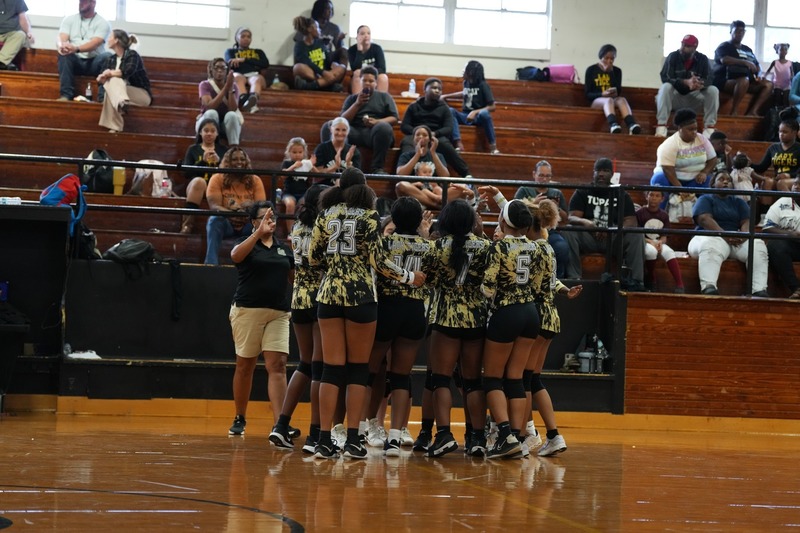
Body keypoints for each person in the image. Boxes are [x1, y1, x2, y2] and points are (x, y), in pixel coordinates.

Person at [307, 167, 425, 459]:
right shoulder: (370, 218)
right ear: (363, 188)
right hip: (361, 296)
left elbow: (312, 257)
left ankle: (323, 439)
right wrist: (409, 277)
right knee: (359, 369)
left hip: (329, 295)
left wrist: (334, 267)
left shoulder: (325, 216)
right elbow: (380, 261)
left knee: (330, 370)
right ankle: (353, 441)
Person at [369, 197, 434, 456]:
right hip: (415, 312)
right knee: (401, 375)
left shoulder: (383, 242)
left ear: (393, 220)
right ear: (419, 220)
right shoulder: (429, 247)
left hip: (386, 309)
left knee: (370, 372)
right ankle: (395, 437)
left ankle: (362, 428)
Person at [426, 199, 491, 457]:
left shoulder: (438, 247)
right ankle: (476, 438)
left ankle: (443, 435)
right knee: (473, 381)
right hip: (476, 319)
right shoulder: (487, 247)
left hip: (445, 318)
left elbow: (428, 280)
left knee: (440, 379)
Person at [480, 199, 543, 459]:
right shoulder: (536, 247)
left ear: (503, 222)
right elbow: (539, 284)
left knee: (492, 377)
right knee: (516, 377)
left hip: (507, 312)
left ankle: (504, 435)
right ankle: (517, 437)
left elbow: (487, 286)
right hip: (531, 313)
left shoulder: (499, 246)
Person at [269, 184, 328, 450]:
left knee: (305, 364)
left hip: (299, 297)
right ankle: (316, 433)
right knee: (318, 367)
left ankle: (281, 425)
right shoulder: (323, 228)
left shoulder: (299, 227)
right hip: (320, 298)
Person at [227, 201, 293, 439]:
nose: (270, 220)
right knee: (245, 366)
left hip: (278, 312)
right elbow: (235, 256)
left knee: (278, 365)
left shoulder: (284, 248)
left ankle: (280, 424)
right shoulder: (247, 244)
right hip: (248, 311)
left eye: (273, 216)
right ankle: (240, 417)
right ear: (254, 221)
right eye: (265, 217)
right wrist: (257, 234)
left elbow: (293, 278)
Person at [564, 157, 646, 291]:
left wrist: (611, 230)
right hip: (589, 236)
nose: (601, 174)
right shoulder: (582, 191)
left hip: (613, 238)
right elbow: (572, 217)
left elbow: (631, 221)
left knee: (637, 235)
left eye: (606, 171)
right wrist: (587, 223)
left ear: (612, 174)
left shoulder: (621, 193)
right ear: (593, 172)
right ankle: (574, 278)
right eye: (598, 170)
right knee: (568, 230)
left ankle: (636, 281)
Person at [688, 170, 769, 296]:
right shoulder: (705, 198)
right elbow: (704, 219)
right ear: (713, 183)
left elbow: (747, 222)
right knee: (711, 244)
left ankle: (758, 290)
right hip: (707, 236)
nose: (726, 181)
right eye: (721, 179)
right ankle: (708, 287)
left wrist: (743, 235)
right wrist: (724, 234)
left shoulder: (738, 201)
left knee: (757, 245)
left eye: (729, 180)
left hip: (734, 239)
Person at [327, 66, 397, 174]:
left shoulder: (385, 97)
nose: (368, 83)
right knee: (330, 125)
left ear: (376, 83)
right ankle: (334, 164)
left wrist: (377, 122)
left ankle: (377, 168)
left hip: (375, 132)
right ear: (360, 81)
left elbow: (394, 118)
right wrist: (357, 104)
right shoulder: (352, 98)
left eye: (371, 81)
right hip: (354, 132)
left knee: (384, 127)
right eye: (364, 80)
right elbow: (342, 120)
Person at [400, 77, 473, 179]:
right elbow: (404, 126)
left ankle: (466, 173)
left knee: (444, 143)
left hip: (435, 135)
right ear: (425, 89)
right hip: (416, 135)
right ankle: (403, 174)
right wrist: (418, 133)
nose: (437, 91)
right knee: (407, 141)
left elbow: (449, 128)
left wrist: (433, 134)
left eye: (439, 89)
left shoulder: (444, 108)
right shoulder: (414, 106)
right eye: (434, 88)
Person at [204, 147, 266, 266]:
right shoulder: (217, 178)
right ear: (228, 162)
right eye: (235, 159)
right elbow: (214, 206)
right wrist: (233, 213)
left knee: (260, 223)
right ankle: (211, 264)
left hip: (247, 223)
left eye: (242, 159)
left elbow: (261, 207)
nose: (239, 162)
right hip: (226, 223)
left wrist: (250, 208)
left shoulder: (255, 180)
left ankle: (257, 266)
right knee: (214, 220)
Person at [396, 125, 478, 210]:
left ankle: (432, 203)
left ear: (430, 139)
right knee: (400, 185)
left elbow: (445, 176)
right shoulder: (406, 156)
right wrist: (417, 155)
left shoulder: (438, 155)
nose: (421, 137)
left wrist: (433, 153)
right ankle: (436, 205)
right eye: (418, 135)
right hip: (417, 194)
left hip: (438, 193)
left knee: (463, 187)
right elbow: (400, 174)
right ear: (413, 139)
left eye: (424, 135)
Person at [512, 160, 570, 278]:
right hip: (527, 232)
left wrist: (555, 207)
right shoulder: (524, 190)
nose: (544, 179)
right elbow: (514, 211)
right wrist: (533, 204)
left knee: (562, 247)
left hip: (550, 231)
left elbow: (565, 219)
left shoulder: (556, 192)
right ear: (534, 174)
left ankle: (557, 280)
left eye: (548, 176)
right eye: (541, 175)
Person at [655, 35, 719, 138]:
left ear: (694, 48)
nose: (682, 48)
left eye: (687, 46)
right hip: (675, 99)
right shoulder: (673, 56)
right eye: (682, 44)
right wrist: (685, 82)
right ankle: (661, 126)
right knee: (665, 87)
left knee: (713, 90)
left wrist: (699, 83)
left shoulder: (703, 59)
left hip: (695, 100)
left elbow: (710, 79)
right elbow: (665, 77)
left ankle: (709, 128)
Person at [650, 108, 719, 203]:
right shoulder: (669, 144)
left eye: (695, 129)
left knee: (709, 181)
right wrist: (680, 189)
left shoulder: (702, 139)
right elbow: (667, 169)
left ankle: (703, 214)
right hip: (671, 178)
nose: (694, 132)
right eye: (690, 129)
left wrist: (705, 172)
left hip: (695, 180)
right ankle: (661, 214)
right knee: (659, 179)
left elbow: (713, 159)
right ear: (680, 129)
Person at [712, 20, 773, 116]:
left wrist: (760, 74)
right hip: (727, 80)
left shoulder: (747, 49)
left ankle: (753, 111)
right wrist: (745, 62)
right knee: (744, 80)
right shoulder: (724, 46)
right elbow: (724, 60)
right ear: (731, 32)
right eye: (736, 31)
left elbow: (757, 64)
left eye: (742, 31)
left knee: (768, 85)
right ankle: (734, 111)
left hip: (748, 81)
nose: (739, 33)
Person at [96, 30, 151, 134]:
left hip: (141, 95)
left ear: (116, 40)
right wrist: (101, 79)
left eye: (110, 37)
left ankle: (119, 109)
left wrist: (110, 74)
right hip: (120, 95)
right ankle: (121, 104)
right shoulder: (110, 59)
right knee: (110, 84)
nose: (108, 39)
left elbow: (127, 71)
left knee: (114, 79)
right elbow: (103, 80)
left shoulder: (132, 55)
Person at [179, 118, 227, 234]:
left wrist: (219, 163)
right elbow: (186, 173)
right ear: (200, 132)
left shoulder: (223, 150)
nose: (209, 133)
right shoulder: (193, 149)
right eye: (206, 130)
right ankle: (187, 225)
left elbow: (229, 175)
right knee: (199, 182)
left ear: (217, 133)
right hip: (197, 187)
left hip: (217, 188)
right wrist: (203, 161)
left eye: (212, 131)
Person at [56, 0, 111, 101]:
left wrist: (76, 49)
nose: (81, 3)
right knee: (64, 55)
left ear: (93, 3)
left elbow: (95, 43)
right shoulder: (69, 19)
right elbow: (62, 37)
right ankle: (66, 95)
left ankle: (102, 98)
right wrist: (62, 46)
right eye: (80, 1)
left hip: (94, 62)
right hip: (75, 61)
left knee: (108, 56)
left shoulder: (103, 23)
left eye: (84, 1)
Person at [441, 60, 500, 154]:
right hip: (465, 116)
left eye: (465, 69)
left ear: (471, 72)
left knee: (485, 113)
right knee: (450, 111)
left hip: (478, 117)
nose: (462, 71)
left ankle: (493, 146)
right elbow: (465, 92)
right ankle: (458, 143)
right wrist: (446, 96)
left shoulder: (483, 85)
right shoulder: (466, 83)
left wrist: (474, 112)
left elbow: (492, 106)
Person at [636, 190, 686, 293]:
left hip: (658, 242)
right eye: (651, 195)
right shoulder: (639, 213)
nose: (654, 198)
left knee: (669, 252)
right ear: (646, 196)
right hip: (644, 241)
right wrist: (651, 242)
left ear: (662, 199)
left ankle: (679, 284)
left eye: (657, 196)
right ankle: (651, 279)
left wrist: (660, 242)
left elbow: (664, 236)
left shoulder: (664, 215)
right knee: (651, 252)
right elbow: (637, 234)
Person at [584, 44, 641, 134]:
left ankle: (631, 124)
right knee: (608, 100)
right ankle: (613, 124)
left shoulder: (617, 71)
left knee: (622, 99)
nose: (609, 61)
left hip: (612, 99)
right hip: (596, 101)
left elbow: (618, 91)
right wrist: (602, 94)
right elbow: (588, 94)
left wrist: (611, 73)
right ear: (601, 57)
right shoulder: (591, 70)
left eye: (612, 59)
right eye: (606, 58)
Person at [762, 177, 800, 299]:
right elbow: (767, 228)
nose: (796, 187)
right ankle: (796, 288)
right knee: (775, 245)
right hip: (790, 245)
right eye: (795, 184)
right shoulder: (783, 201)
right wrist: (788, 234)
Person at [749, 108, 800, 192]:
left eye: (785, 132)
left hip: (795, 180)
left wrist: (789, 175)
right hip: (778, 178)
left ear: (794, 133)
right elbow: (762, 168)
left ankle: (791, 205)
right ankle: (765, 205)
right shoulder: (773, 148)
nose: (781, 135)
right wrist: (750, 163)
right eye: (780, 132)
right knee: (767, 182)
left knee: (781, 183)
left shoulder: (798, 148)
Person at [292, 15, 345, 92]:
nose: (320, 30)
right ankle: (328, 86)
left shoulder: (320, 43)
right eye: (317, 27)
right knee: (297, 67)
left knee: (342, 67)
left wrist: (333, 63)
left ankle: (311, 86)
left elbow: (327, 59)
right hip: (312, 74)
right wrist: (323, 73)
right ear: (310, 29)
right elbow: (307, 62)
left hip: (324, 73)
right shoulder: (299, 46)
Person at [197, 57, 242, 148]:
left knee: (232, 115)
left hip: (226, 124)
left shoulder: (233, 86)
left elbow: (232, 109)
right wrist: (226, 88)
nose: (220, 70)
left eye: (223, 68)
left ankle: (234, 148)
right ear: (211, 70)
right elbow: (210, 106)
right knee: (211, 113)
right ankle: (209, 146)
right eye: (216, 67)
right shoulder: (205, 84)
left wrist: (230, 89)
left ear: (227, 71)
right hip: (207, 121)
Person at [224, 26, 269, 114]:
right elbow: (230, 62)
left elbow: (265, 64)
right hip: (239, 74)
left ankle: (250, 102)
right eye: (243, 36)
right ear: (237, 38)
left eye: (248, 36)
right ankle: (249, 103)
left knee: (256, 79)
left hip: (254, 74)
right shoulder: (231, 51)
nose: (246, 39)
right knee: (236, 77)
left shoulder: (258, 52)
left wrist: (244, 60)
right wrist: (253, 63)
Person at [279, 137, 316, 234]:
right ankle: (290, 233)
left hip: (303, 193)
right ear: (289, 152)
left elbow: (318, 173)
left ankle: (302, 231)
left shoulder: (306, 164)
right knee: (290, 204)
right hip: (289, 193)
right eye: (294, 152)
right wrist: (294, 166)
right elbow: (282, 176)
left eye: (300, 152)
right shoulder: (287, 163)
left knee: (305, 204)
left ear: (304, 152)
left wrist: (312, 164)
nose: (297, 155)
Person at [314, 117, 361, 184]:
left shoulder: (354, 151)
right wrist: (334, 167)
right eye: (337, 129)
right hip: (324, 188)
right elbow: (316, 175)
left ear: (348, 132)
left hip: (346, 190)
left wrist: (348, 163)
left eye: (344, 130)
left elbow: (357, 178)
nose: (340, 133)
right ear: (331, 130)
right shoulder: (322, 148)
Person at [348, 25, 388, 93]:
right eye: (362, 34)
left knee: (383, 77)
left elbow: (382, 69)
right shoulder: (352, 50)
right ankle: (358, 101)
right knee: (357, 72)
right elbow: (355, 68)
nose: (366, 35)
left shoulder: (377, 48)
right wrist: (359, 50)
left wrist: (369, 74)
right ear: (357, 37)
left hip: (374, 76)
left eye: (368, 33)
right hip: (360, 77)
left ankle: (381, 102)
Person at [0, 0, 33, 70]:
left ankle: (1, 61)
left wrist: (29, 32)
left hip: (10, 33)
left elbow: (23, 18)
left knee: (21, 35)